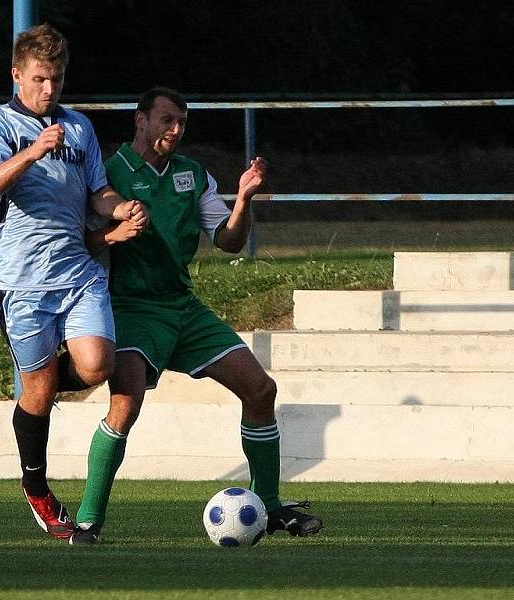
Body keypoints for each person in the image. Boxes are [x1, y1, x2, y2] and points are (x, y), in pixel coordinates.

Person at [71, 87, 323, 544]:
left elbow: (228, 242)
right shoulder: (107, 176)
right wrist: (116, 234)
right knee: (125, 404)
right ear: (140, 119)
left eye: (182, 123)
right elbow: (80, 246)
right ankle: (88, 520)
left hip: (182, 306)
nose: (175, 129)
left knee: (261, 389)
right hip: (129, 307)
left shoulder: (193, 174)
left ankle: (267, 505)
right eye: (166, 119)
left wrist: (244, 199)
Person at [0, 23, 147, 542]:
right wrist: (31, 152)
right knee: (41, 390)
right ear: (18, 76)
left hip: (77, 273)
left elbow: (98, 193)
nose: (50, 90)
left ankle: (40, 383)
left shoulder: (79, 127)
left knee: (96, 365)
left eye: (58, 79)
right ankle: (37, 488)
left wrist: (121, 208)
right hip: (20, 283)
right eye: (41, 79)